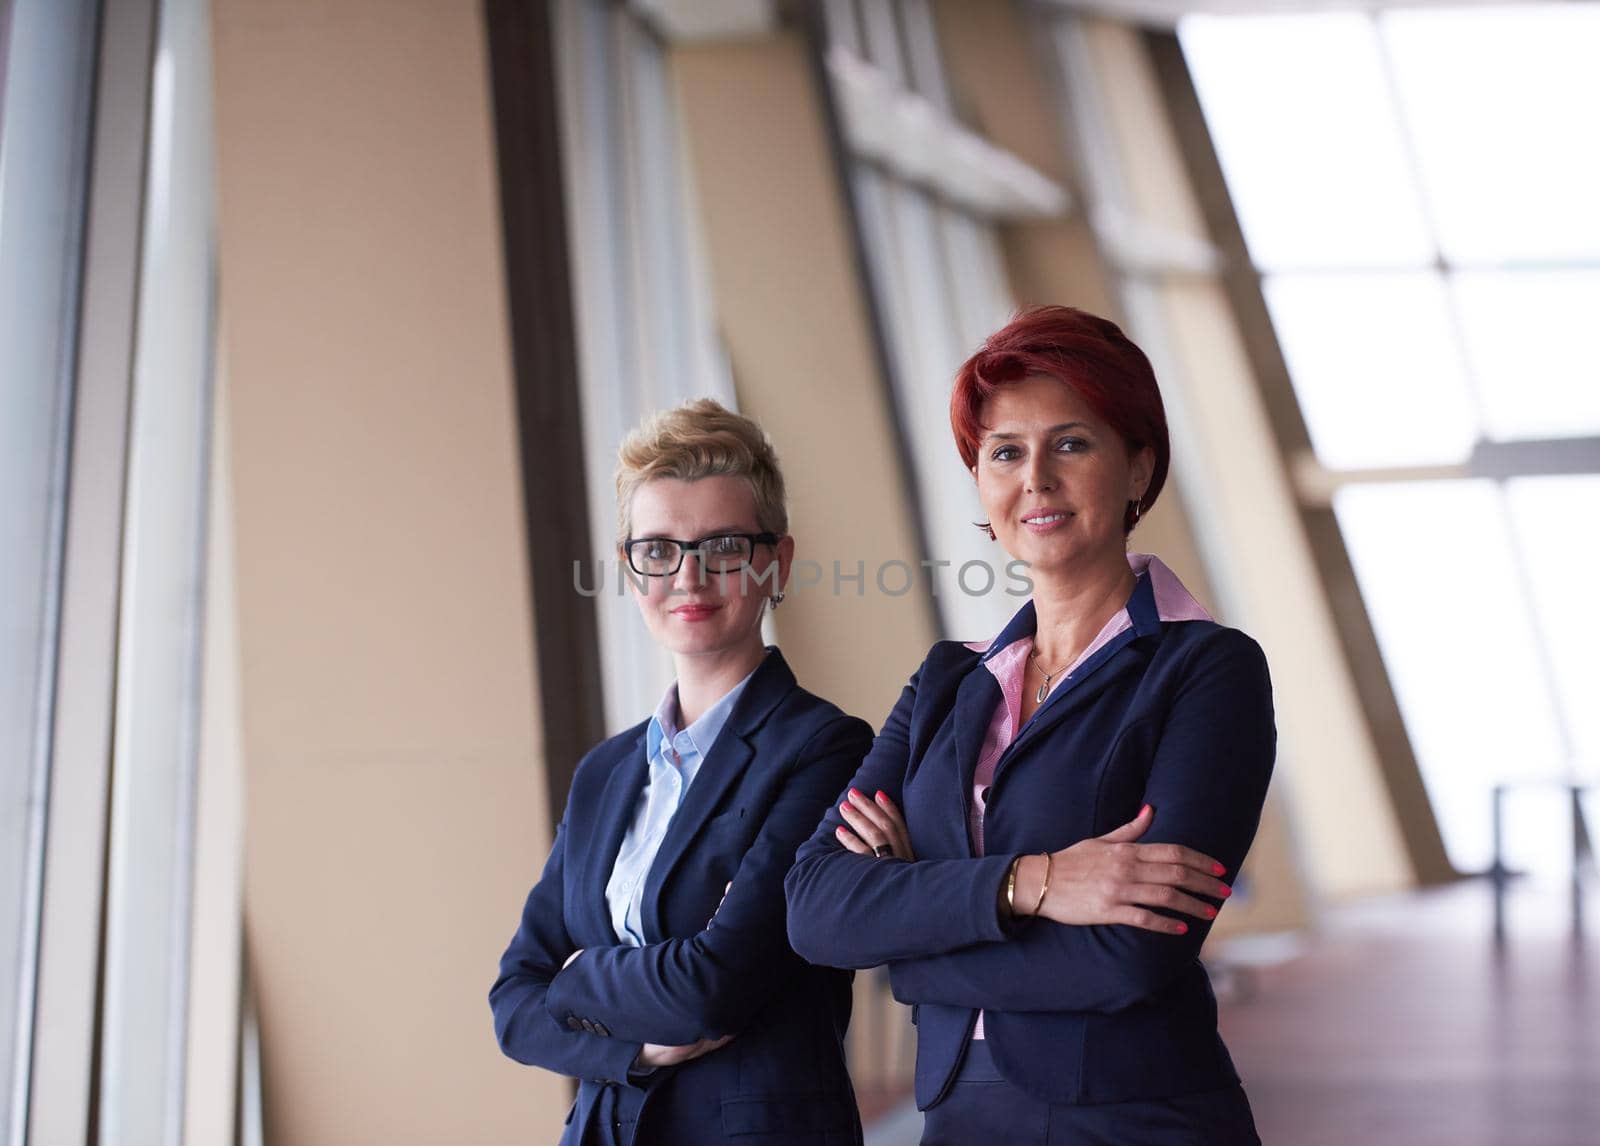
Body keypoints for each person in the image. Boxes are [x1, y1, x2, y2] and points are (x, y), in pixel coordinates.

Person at [785, 306, 1274, 1144]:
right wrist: (1037, 883)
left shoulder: (1208, 671)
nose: (1035, 479)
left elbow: (1134, 955)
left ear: (1137, 468)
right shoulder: (948, 682)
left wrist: (912, 944)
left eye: (1072, 443)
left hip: (1135, 1122)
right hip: (958, 1118)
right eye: (1005, 452)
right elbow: (816, 909)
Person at [492, 399, 872, 1145]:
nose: (689, 576)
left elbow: (712, 989)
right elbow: (512, 1001)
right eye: (659, 549)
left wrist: (572, 975)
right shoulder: (605, 773)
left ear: (777, 563)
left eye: (723, 545)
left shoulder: (825, 750)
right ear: (631, 572)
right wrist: (628, 1048)